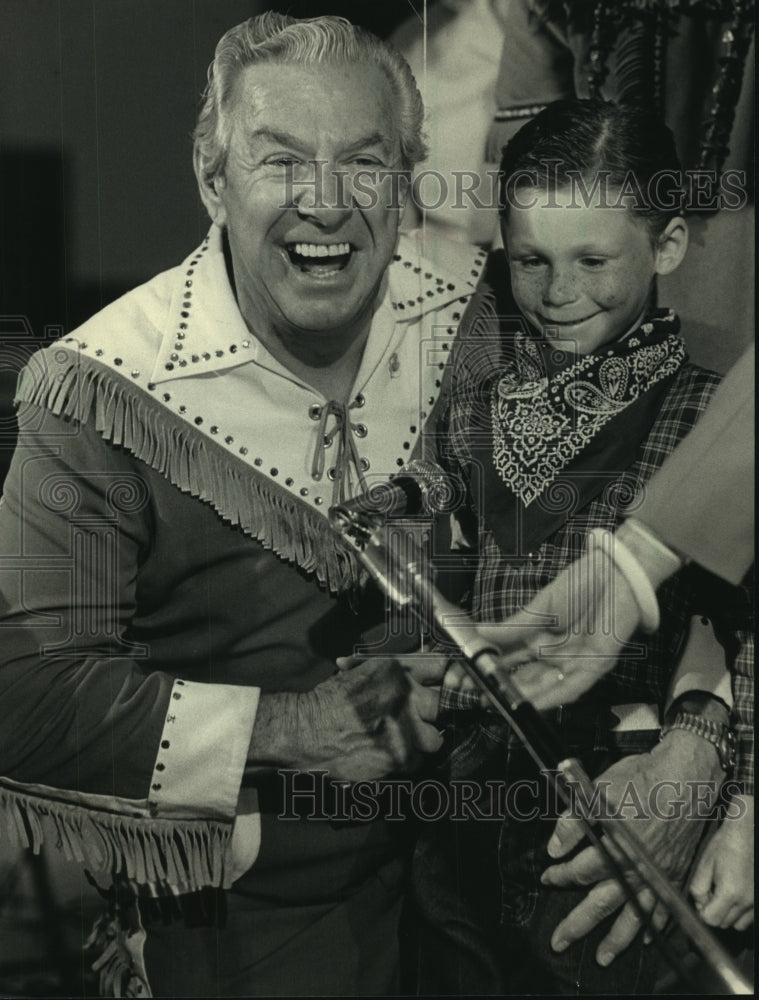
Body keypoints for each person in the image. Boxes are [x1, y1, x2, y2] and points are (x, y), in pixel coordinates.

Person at [0, 13, 486, 998]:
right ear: (213, 179)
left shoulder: (474, 318)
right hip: (250, 920)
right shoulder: (95, 393)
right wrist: (292, 726)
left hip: (477, 881)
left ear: (405, 181)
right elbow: (26, 701)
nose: (324, 201)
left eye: (363, 161)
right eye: (279, 161)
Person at [410, 98, 753, 994]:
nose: (557, 293)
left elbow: (728, 626)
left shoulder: (710, 413)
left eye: (593, 261)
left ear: (667, 246)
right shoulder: (475, 404)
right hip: (468, 803)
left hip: (618, 801)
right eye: (529, 261)